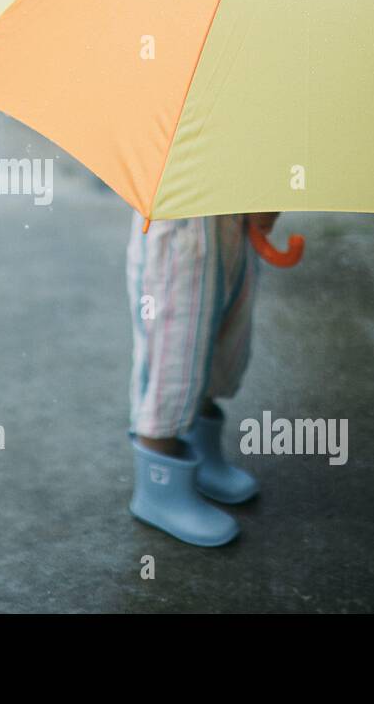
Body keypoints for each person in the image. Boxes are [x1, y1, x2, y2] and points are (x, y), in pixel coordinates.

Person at [124, 211, 279, 547]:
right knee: (176, 355)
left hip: (232, 225)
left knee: (223, 344)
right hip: (180, 233)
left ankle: (200, 447)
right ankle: (159, 483)